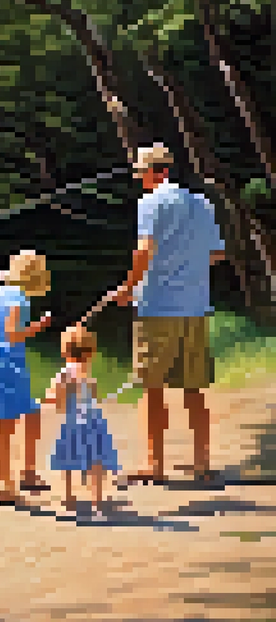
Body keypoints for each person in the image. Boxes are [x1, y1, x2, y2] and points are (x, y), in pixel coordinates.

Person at [111, 143, 226, 485]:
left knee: (153, 387)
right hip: (195, 308)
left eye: (141, 174)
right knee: (194, 389)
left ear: (154, 172)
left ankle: (154, 464)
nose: (140, 181)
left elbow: (144, 250)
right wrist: (187, 266)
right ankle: (202, 464)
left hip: (157, 307)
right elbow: (216, 255)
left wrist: (130, 286)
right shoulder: (202, 203)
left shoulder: (150, 203)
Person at [0, 250, 54, 504]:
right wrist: (37, 328)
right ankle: (6, 486)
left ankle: (28, 473)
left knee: (32, 412)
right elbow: (11, 333)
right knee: (6, 426)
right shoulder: (19, 299)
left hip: (8, 367)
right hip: (5, 368)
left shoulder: (2, 293)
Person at [44, 325, 120, 518]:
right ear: (90, 352)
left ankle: (69, 497)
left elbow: (58, 400)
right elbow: (94, 398)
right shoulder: (88, 376)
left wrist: (49, 401)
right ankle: (98, 500)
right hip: (94, 423)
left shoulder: (64, 374)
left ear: (65, 351)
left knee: (69, 459)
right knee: (96, 461)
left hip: (72, 423)